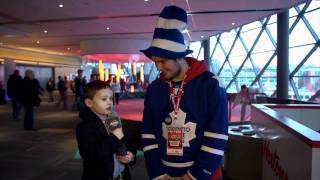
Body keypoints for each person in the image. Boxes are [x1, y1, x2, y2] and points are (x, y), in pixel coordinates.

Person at [140, 6, 228, 180]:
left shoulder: (211, 84)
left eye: (163, 61)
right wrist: (158, 174)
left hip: (203, 176)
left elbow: (217, 136)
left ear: (179, 56)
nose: (158, 67)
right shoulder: (155, 88)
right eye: (155, 62)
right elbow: (148, 133)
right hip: (164, 175)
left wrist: (193, 176)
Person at [76, 80, 136, 180]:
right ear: (89, 103)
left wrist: (131, 156)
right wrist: (114, 137)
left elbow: (129, 141)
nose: (109, 102)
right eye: (104, 99)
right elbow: (92, 157)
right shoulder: (84, 127)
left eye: (111, 98)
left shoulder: (114, 119)